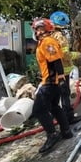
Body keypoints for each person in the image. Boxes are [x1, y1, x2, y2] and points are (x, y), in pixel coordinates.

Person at [31, 18, 72, 154]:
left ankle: (52, 134)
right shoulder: (45, 41)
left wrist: (60, 79)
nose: (36, 32)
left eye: (37, 29)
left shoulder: (47, 42)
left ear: (43, 29)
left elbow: (56, 61)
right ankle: (66, 131)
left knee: (38, 110)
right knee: (54, 107)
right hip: (52, 81)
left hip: (50, 83)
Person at [50, 11, 81, 125]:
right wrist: (78, 55)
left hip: (53, 70)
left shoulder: (50, 36)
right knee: (65, 94)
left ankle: (56, 116)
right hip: (63, 70)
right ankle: (68, 118)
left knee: (56, 94)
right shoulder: (60, 37)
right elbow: (65, 55)